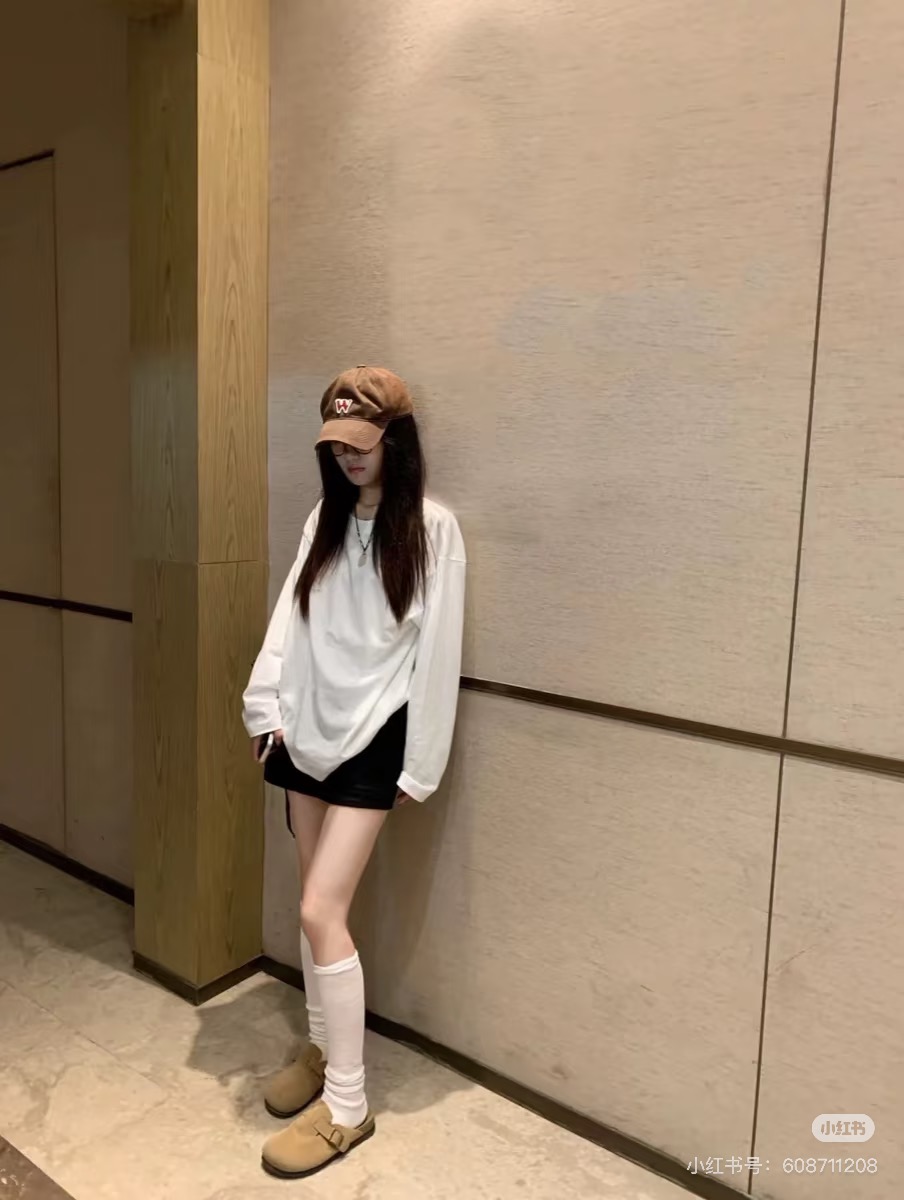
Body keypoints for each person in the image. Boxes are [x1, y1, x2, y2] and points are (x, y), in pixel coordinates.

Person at [242, 366, 466, 1180]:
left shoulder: (434, 529)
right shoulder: (324, 520)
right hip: (305, 727)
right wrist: (265, 706)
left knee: (319, 909)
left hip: (375, 737)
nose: (350, 458)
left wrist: (422, 762)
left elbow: (438, 653)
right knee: (312, 904)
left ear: (396, 441)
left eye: (363, 444)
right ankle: (318, 1044)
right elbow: (290, 618)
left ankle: (347, 1105)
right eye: (338, 446)